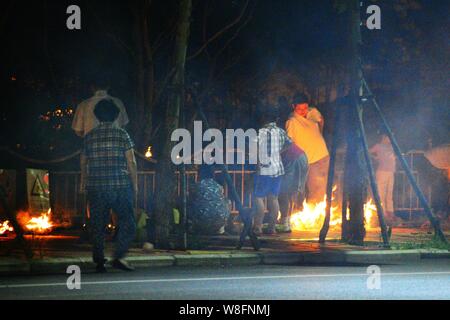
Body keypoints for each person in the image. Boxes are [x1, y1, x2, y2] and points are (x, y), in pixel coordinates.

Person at [80, 99, 137, 272]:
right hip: (120, 185)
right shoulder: (122, 134)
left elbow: (83, 162)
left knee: (97, 224)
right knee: (128, 222)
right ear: (115, 115)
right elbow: (131, 161)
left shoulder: (89, 136)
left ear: (97, 116)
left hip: (96, 186)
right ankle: (118, 256)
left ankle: (99, 261)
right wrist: (135, 185)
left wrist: (83, 182)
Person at [253, 105, 290, 235]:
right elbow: (289, 144)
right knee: (273, 198)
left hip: (264, 169)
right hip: (278, 169)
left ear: (263, 117)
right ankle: (272, 228)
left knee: (259, 197)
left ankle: (257, 227)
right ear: (277, 118)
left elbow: (255, 149)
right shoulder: (281, 131)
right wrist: (278, 153)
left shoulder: (261, 132)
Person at [286, 93, 329, 203]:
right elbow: (289, 143)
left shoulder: (312, 113)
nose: (303, 111)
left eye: (305, 108)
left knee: (323, 189)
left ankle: (322, 215)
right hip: (308, 161)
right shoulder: (292, 122)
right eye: (300, 109)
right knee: (311, 190)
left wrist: (319, 134)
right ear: (293, 107)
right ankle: (312, 216)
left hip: (322, 156)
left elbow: (321, 120)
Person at [370, 134, 397, 226]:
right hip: (382, 172)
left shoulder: (391, 147)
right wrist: (375, 158)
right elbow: (368, 151)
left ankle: (390, 213)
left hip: (391, 172)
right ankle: (383, 214)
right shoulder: (378, 146)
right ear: (384, 137)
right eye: (389, 137)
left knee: (389, 193)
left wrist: (378, 157)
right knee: (381, 193)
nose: (391, 139)